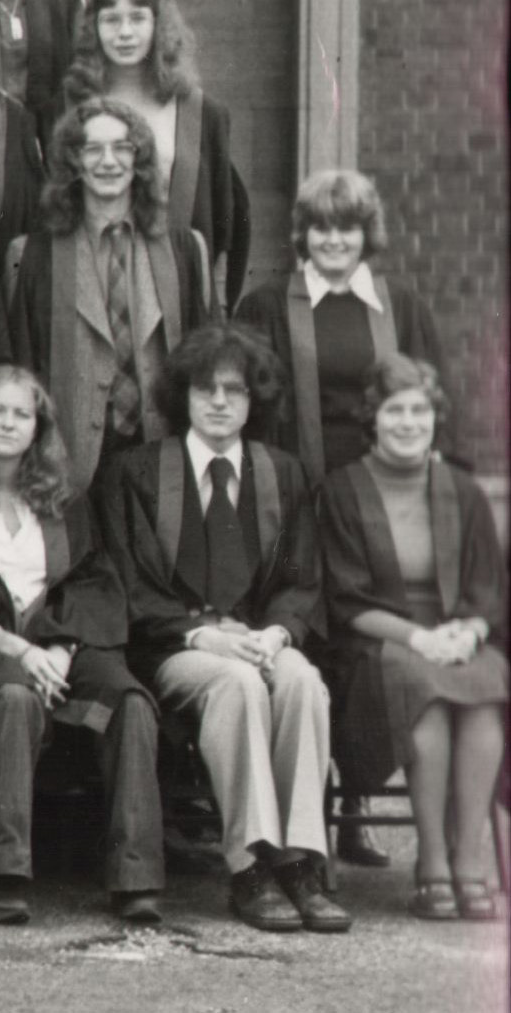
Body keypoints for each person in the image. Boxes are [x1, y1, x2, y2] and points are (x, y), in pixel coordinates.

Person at [105, 323, 351, 932]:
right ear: (181, 397)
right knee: (236, 685)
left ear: (254, 400)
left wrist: (278, 634)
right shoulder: (136, 473)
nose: (219, 402)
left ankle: (299, 862)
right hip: (177, 648)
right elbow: (129, 584)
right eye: (205, 389)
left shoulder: (282, 475)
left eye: (234, 391)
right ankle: (249, 868)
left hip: (258, 639)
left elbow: (299, 575)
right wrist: (202, 635)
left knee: (301, 682)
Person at [0, 365, 167, 926]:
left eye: (21, 413)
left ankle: (135, 874)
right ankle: (1, 872)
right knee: (13, 694)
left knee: (130, 702)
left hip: (60, 648)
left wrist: (61, 647)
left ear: (38, 427)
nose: (8, 422)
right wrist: (20, 651)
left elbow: (94, 583)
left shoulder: (67, 502)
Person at [315, 355, 503, 921]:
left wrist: (469, 631)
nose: (408, 422)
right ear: (373, 418)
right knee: (423, 685)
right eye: (395, 409)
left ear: (434, 417)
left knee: (488, 682)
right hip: (377, 645)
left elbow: (486, 588)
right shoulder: (343, 491)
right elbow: (344, 597)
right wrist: (419, 640)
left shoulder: (463, 490)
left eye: (419, 409)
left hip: (454, 635)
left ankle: (469, 862)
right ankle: (433, 866)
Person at [0, 97, 217, 452]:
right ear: (73, 161)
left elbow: (207, 360)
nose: (108, 161)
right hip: (68, 459)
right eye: (92, 149)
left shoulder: (185, 250)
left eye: (122, 148)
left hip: (161, 453)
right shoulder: (31, 257)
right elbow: (21, 368)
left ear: (139, 159)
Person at [69, 0, 254, 275]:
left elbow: (223, 222)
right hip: (89, 277)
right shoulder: (68, 106)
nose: (124, 33)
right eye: (111, 19)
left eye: (138, 18)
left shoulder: (201, 112)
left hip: (175, 278)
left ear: (159, 24)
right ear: (93, 27)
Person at [243, 170, 417, 471]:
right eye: (321, 228)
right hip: (296, 482)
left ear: (366, 234)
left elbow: (428, 397)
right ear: (303, 233)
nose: (334, 240)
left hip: (380, 479)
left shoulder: (400, 305)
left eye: (347, 228)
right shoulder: (267, 306)